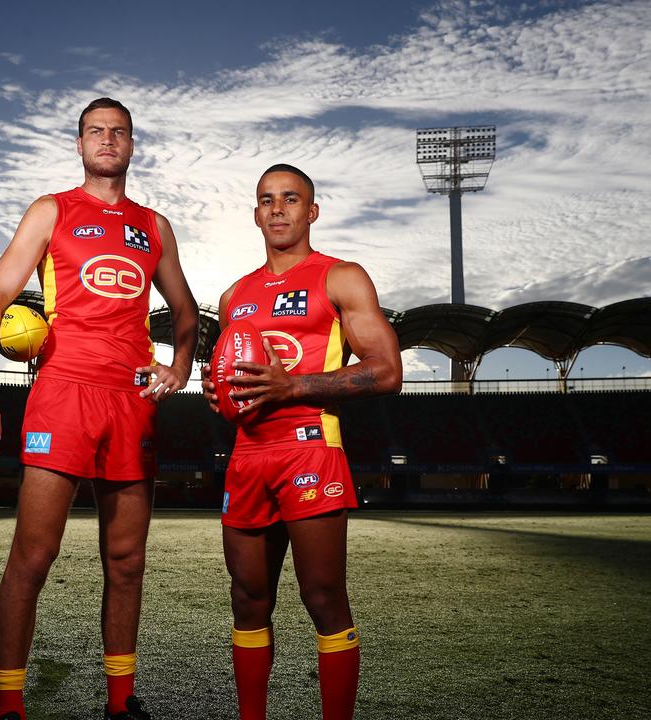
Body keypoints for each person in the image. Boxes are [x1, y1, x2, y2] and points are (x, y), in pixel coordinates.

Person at [0, 98, 198, 720]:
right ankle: (9, 705)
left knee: (126, 561)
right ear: (79, 143)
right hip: (63, 393)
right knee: (33, 556)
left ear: (131, 144)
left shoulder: (155, 225)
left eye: (118, 131)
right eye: (96, 131)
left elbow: (186, 312)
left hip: (131, 402)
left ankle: (121, 701)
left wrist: (177, 368)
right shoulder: (51, 210)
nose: (107, 140)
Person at [202, 164, 402, 719]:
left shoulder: (341, 277)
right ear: (256, 213)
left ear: (311, 211)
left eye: (291, 199)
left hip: (310, 448)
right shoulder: (232, 296)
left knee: (322, 599)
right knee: (247, 600)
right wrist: (217, 395)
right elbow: (232, 380)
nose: (278, 209)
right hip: (248, 456)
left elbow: (386, 371)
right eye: (267, 200)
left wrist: (295, 385)